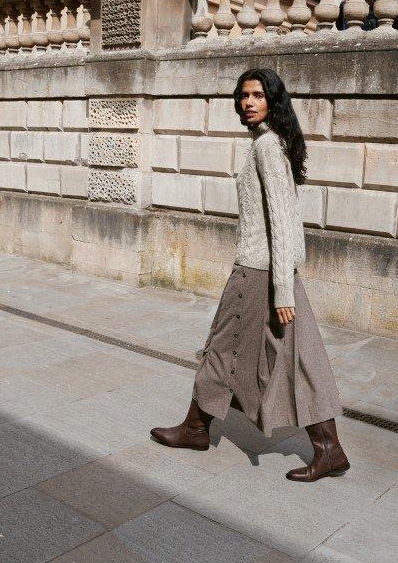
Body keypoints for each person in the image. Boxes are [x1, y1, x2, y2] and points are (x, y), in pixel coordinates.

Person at [150, 68, 350, 483]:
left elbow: (281, 219)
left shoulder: (267, 148)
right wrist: (286, 280)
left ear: (273, 100)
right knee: (301, 358)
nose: (248, 102)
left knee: (222, 347)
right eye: (243, 95)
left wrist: (281, 291)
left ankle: (196, 428)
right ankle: (329, 449)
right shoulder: (271, 143)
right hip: (274, 270)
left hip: (258, 272)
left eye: (258, 95)